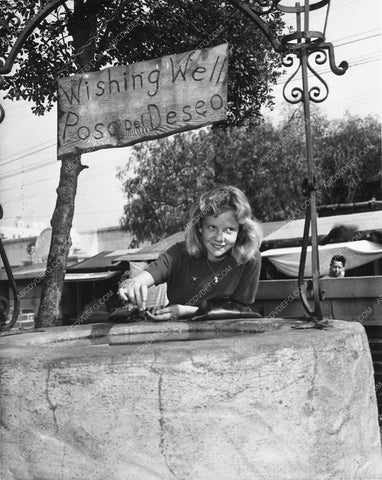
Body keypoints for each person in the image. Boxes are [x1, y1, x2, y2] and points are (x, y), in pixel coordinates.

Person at [118, 185, 262, 321]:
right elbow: (138, 280)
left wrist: (189, 311)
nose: (220, 238)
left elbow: (241, 311)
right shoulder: (179, 253)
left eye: (229, 229)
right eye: (212, 227)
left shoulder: (250, 258)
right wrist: (131, 286)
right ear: (200, 227)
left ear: (240, 231)